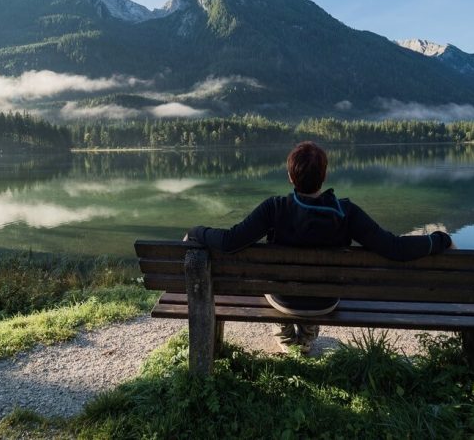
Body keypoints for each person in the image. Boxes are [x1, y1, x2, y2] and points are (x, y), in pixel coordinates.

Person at [185, 141, 454, 353]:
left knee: (279, 280)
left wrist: (195, 231)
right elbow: (395, 248)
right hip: (325, 300)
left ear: (291, 177)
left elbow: (230, 241)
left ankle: (287, 336)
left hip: (283, 300)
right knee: (317, 281)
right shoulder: (345, 212)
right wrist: (439, 240)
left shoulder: (274, 208)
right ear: (324, 176)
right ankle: (307, 334)